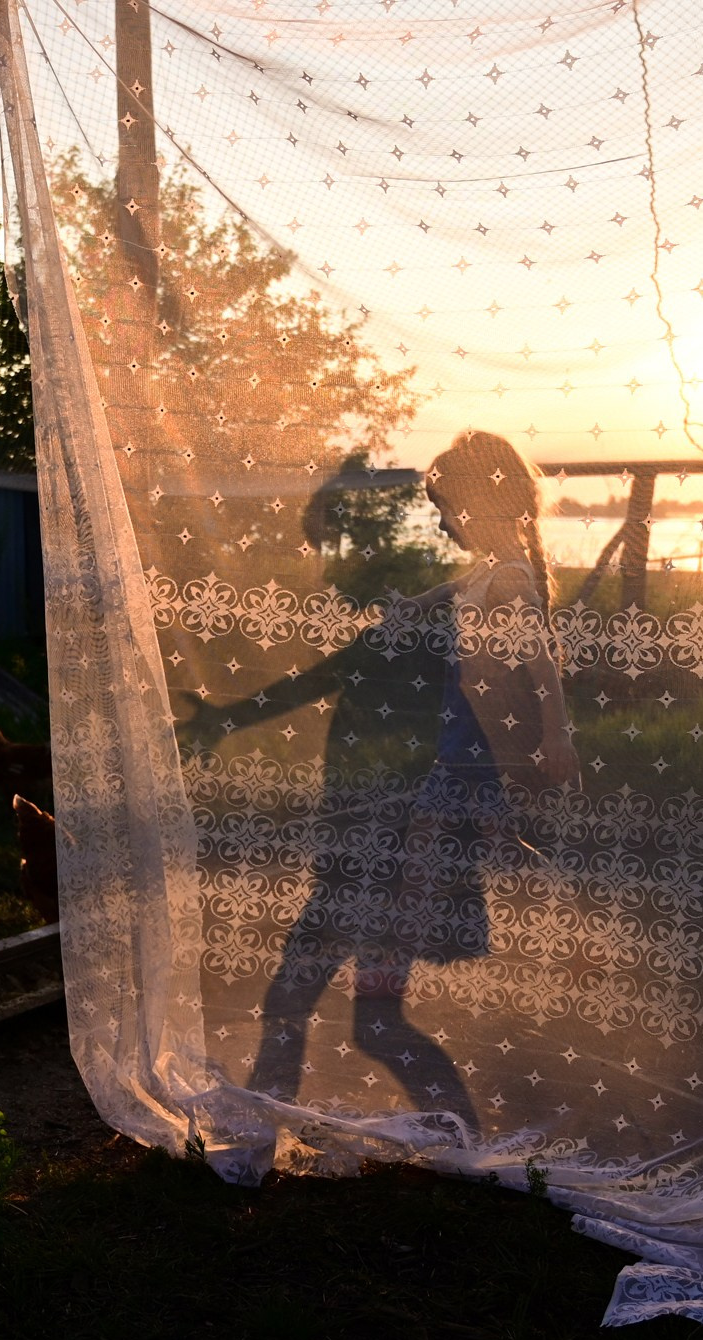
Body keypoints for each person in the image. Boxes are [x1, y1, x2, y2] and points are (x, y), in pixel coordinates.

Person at [180, 431, 579, 1132]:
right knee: (368, 1019)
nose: (446, 520)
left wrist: (549, 743)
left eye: (448, 504)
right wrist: (226, 717)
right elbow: (355, 655)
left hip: (392, 837)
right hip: (393, 831)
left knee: (307, 993)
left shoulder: (505, 581)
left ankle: (258, 1131)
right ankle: (455, 1134)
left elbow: (537, 666)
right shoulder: (474, 583)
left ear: (481, 498)